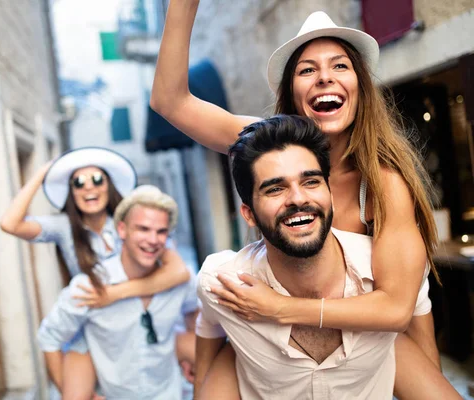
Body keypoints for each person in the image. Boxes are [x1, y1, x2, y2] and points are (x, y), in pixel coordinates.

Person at [151, 4, 445, 398]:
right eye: (308, 70)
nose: (325, 77)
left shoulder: (383, 182)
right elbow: (170, 101)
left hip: (374, 333)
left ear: (359, 84)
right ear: (291, 90)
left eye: (340, 66)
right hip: (273, 343)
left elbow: (400, 310)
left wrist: (279, 308)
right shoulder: (265, 143)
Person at [194, 115, 459, 399]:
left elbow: (422, 347)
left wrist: (280, 308)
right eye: (275, 188)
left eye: (310, 182)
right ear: (249, 214)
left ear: (330, 192)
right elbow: (208, 327)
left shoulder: (385, 274)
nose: (297, 198)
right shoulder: (225, 282)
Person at [0, 148, 191, 397]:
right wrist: (42, 173)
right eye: (78, 182)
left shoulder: (133, 225)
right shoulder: (64, 227)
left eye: (97, 180)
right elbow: (9, 223)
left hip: (129, 315)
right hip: (90, 325)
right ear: (71, 192)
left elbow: (179, 272)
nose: (89, 188)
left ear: (108, 185)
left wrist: (114, 293)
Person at [37, 185, 199, 400]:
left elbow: (193, 312)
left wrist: (191, 359)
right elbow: (50, 337)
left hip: (169, 392)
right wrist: (66, 389)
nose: (152, 240)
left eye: (161, 231)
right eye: (143, 229)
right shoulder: (90, 286)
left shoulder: (180, 281)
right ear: (122, 230)